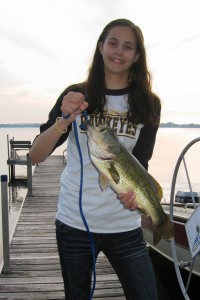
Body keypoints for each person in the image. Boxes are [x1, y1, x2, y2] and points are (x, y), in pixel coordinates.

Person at [29, 18, 161, 300]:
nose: (118, 51)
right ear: (101, 46)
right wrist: (63, 122)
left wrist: (137, 201)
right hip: (74, 225)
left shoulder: (149, 103)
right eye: (112, 42)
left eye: (128, 47)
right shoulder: (77, 95)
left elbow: (140, 164)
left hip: (124, 227)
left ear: (137, 56)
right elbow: (35, 156)